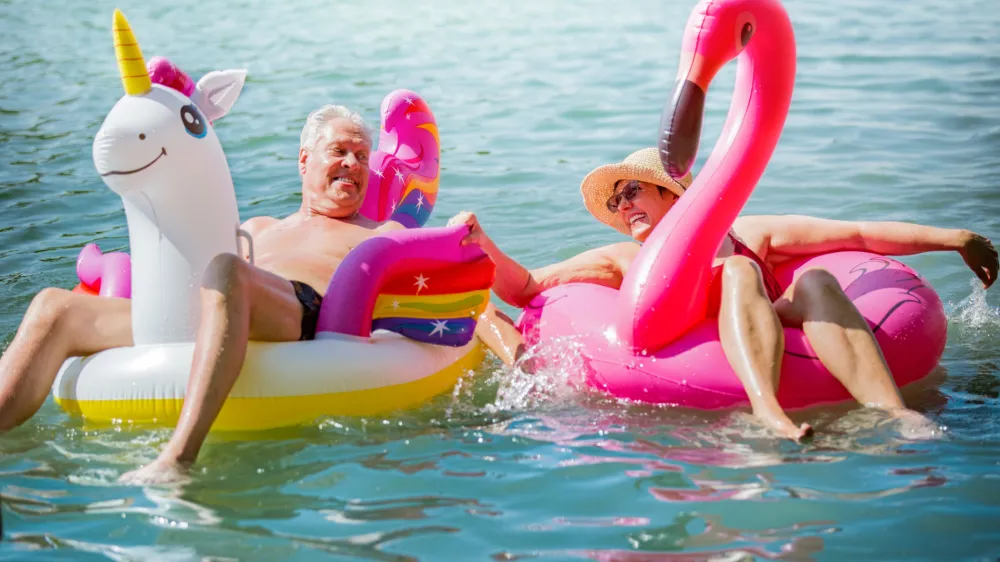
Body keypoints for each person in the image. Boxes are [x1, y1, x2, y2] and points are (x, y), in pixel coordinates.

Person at [458, 147, 998, 440]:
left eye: (633, 190)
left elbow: (854, 234)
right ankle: (768, 412)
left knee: (813, 279)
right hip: (694, 349)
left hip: (775, 323)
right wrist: (481, 242)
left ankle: (895, 413)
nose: (623, 206)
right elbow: (525, 287)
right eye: (617, 200)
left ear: (676, 195)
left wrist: (955, 239)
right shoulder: (625, 261)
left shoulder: (749, 234)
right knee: (737, 275)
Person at [0, 105, 405, 483]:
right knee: (54, 305)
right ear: (304, 160)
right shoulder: (260, 226)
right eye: (340, 151)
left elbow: (435, 270)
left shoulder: (382, 233)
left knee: (229, 271)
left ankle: (178, 458)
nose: (353, 164)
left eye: (363, 157)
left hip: (299, 308)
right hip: (214, 303)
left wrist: (467, 238)